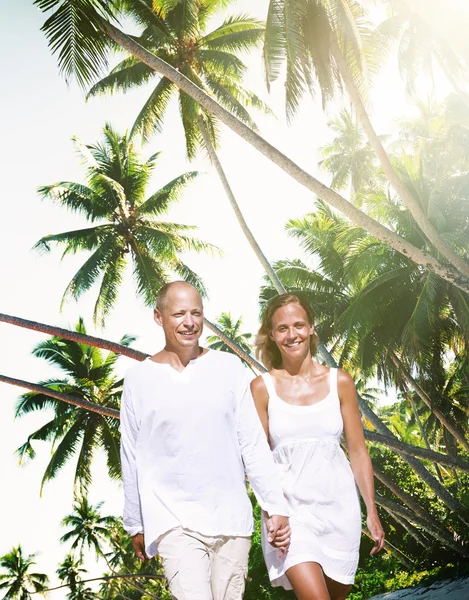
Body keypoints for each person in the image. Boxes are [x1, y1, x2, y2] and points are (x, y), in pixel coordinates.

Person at [120, 281, 290, 600]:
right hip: (173, 519)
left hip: (231, 519)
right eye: (179, 314)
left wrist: (275, 505)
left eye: (196, 313)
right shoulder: (138, 379)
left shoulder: (228, 367)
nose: (189, 322)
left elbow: (251, 442)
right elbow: (130, 453)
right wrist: (135, 521)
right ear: (159, 317)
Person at [251, 293, 385, 600]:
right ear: (272, 335)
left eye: (299, 325)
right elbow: (258, 461)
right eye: (282, 328)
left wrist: (372, 511)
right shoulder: (262, 388)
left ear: (311, 328)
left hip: (339, 510)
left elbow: (358, 451)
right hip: (290, 515)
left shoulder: (340, 382)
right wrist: (273, 513)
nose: (292, 334)